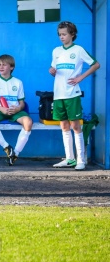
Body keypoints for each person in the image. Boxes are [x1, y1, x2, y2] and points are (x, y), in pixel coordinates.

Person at [49, 21, 100, 171]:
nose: (61, 37)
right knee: (64, 126)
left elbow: (96, 64)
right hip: (58, 94)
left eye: (64, 34)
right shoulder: (56, 51)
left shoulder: (78, 50)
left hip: (72, 94)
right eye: (59, 34)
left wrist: (80, 78)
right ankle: (70, 159)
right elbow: (54, 67)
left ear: (72, 34)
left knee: (75, 126)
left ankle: (81, 160)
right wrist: (51, 71)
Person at [0, 54, 33, 166]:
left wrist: (17, 109)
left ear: (11, 67)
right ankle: (6, 147)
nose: (1, 67)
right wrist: (1, 109)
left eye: (4, 65)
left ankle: (15, 153)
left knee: (28, 122)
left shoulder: (18, 82)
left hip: (14, 111)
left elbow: (21, 103)